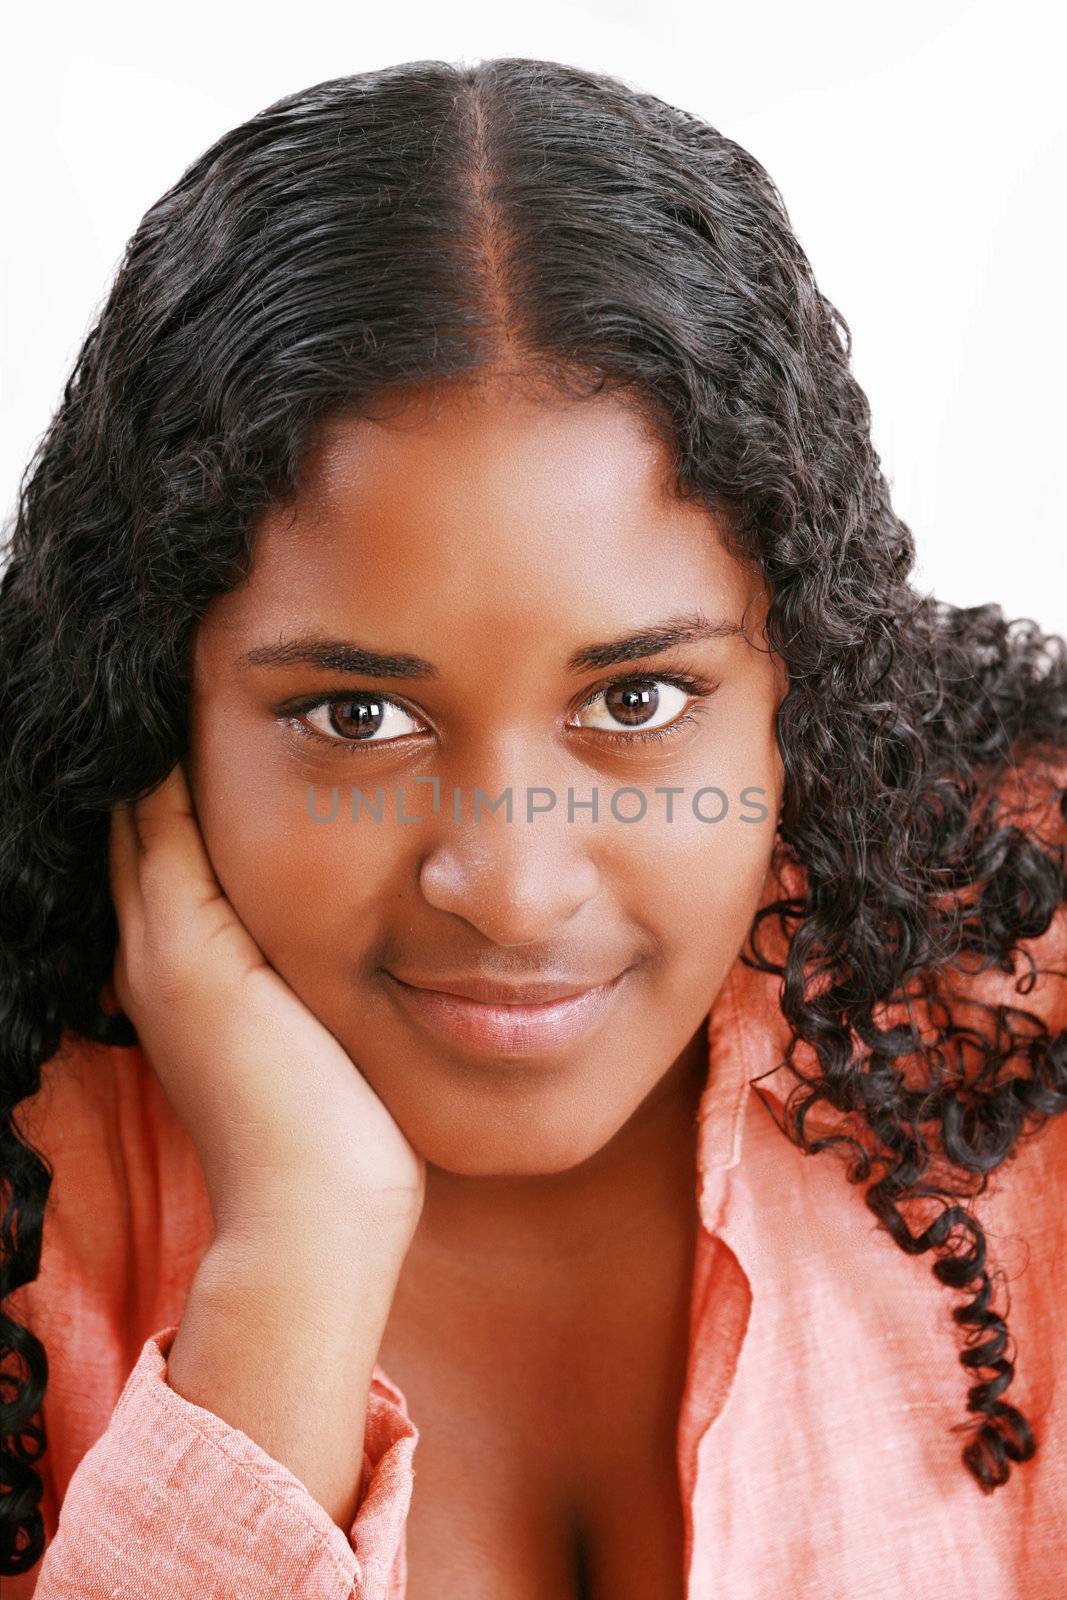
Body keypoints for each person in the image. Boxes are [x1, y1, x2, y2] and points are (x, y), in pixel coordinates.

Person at [1, 56, 1065, 1600]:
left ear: (802, 677)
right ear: (156, 695)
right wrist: (292, 1263)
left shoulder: (1022, 993)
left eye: (636, 701)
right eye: (357, 718)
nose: (507, 885)